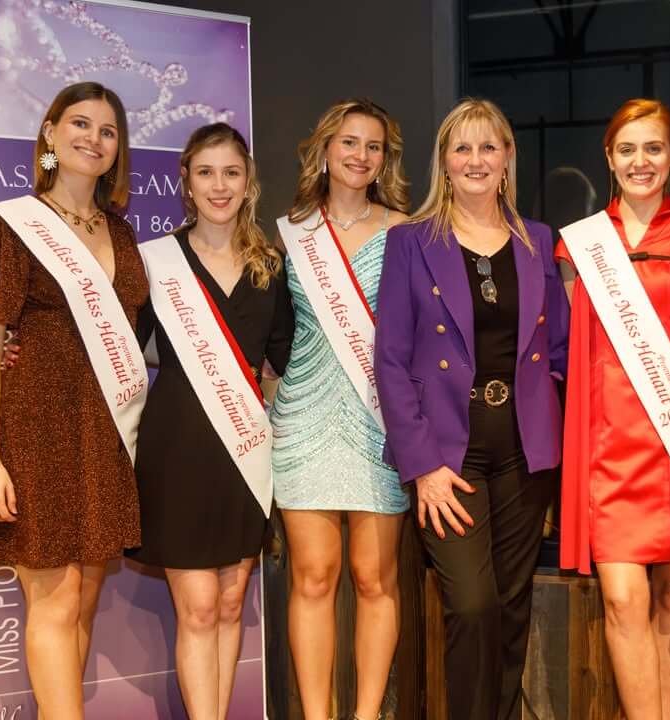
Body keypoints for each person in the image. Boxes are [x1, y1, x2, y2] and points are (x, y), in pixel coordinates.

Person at [374, 98, 569, 720]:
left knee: (511, 607)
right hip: (448, 455)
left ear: (508, 158)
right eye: (463, 148)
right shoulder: (410, 242)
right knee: (472, 604)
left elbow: (558, 348)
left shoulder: (539, 241)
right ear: (445, 163)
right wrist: (422, 465)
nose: (476, 160)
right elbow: (391, 361)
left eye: (490, 147)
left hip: (524, 450)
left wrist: (552, 419)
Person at [0, 82, 146, 720]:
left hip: (103, 432)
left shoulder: (122, 236)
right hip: (36, 427)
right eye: (80, 124)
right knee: (56, 600)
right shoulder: (12, 226)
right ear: (49, 133)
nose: (92, 139)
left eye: (108, 130)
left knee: (84, 600)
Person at [557, 98, 670, 720]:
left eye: (654, 148)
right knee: (624, 600)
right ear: (609, 157)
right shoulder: (579, 247)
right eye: (627, 149)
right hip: (608, 445)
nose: (640, 161)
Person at [127, 123, 294, 719]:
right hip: (177, 453)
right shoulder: (155, 263)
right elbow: (118, 350)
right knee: (197, 608)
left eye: (231, 172)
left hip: (244, 453)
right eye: (206, 173)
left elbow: (280, 361)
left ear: (248, 182)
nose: (219, 185)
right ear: (186, 183)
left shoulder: (270, 268)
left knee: (229, 606)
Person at [271, 98, 409, 720]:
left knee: (374, 579)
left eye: (373, 146)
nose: (360, 155)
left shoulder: (408, 230)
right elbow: (267, 330)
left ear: (385, 159)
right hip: (303, 417)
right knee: (313, 577)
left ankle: (367, 714)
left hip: (381, 422)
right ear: (325, 150)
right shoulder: (288, 232)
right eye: (349, 142)